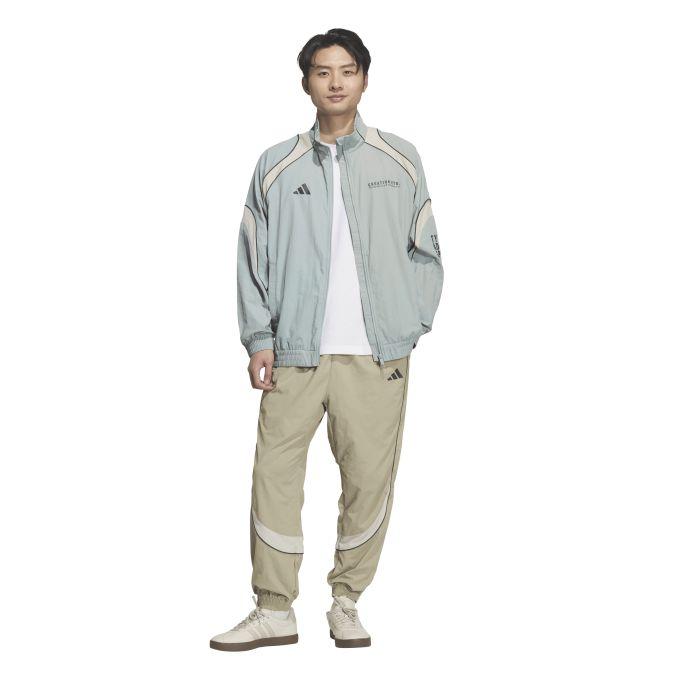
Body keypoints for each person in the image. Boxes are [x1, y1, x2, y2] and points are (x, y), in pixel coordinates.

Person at [210, 28, 443, 652]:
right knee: (274, 476)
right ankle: (273, 608)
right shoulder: (276, 164)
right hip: (293, 352)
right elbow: (251, 258)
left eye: (347, 70)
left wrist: (409, 326)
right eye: (322, 71)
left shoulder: (400, 158)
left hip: (377, 356)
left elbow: (427, 251)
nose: (335, 82)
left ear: (364, 78)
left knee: (369, 480)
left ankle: (346, 601)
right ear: (306, 82)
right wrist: (259, 337)